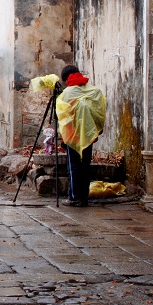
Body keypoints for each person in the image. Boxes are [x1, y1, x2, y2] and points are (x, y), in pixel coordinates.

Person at [55, 65, 106, 207]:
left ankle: (74, 197)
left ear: (65, 79)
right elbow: (100, 111)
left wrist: (63, 135)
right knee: (85, 165)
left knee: (74, 166)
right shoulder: (94, 91)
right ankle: (84, 196)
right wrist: (96, 129)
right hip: (89, 135)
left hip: (73, 136)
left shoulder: (66, 94)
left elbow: (62, 117)